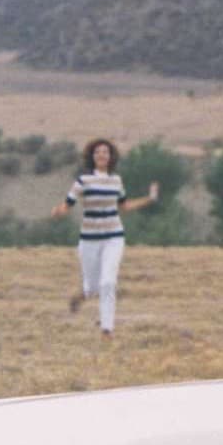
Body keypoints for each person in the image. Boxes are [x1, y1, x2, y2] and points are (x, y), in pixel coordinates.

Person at [51, 138, 159, 337]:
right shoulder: (83, 181)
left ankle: (106, 329)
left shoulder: (116, 181)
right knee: (93, 287)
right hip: (89, 239)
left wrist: (149, 199)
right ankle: (82, 295)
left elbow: (124, 206)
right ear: (92, 157)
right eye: (98, 152)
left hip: (114, 237)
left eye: (105, 152)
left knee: (108, 282)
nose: (101, 155)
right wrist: (58, 211)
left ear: (111, 157)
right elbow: (67, 205)